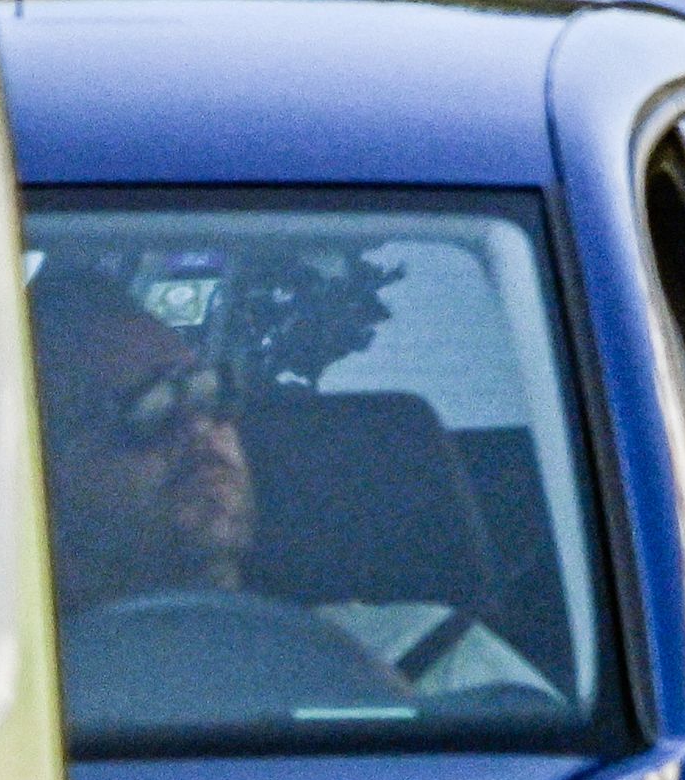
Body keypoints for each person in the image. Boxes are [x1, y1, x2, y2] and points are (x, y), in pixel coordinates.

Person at [31, 265, 543, 697]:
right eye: (150, 407)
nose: (200, 428)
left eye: (210, 393)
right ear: (36, 473)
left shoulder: (429, 657)